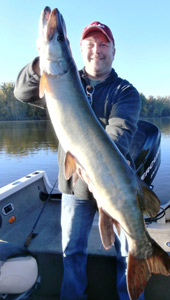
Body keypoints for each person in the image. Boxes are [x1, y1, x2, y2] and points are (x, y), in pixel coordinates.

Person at [14, 19, 145, 300]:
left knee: (127, 253)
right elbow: (22, 92)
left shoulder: (126, 92)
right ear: (78, 50)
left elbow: (118, 137)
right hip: (75, 188)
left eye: (103, 45)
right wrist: (40, 64)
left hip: (117, 186)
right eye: (90, 44)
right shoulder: (59, 82)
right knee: (71, 252)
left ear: (113, 51)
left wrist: (92, 164)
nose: (96, 50)